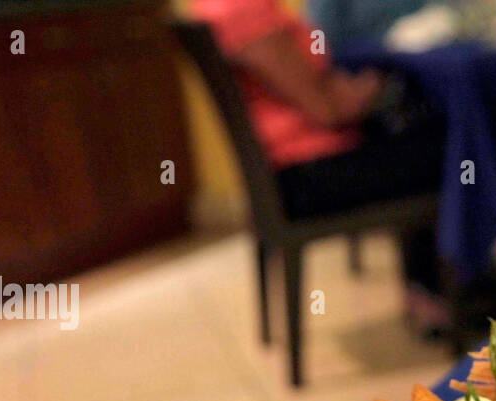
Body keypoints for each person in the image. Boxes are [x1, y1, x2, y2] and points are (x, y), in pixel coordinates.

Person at [192, 0, 452, 335]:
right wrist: (372, 85)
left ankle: (435, 287)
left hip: (292, 166)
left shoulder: (215, 7)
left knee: (421, 135)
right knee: (447, 149)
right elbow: (327, 110)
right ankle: (450, 291)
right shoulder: (245, 12)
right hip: (308, 173)